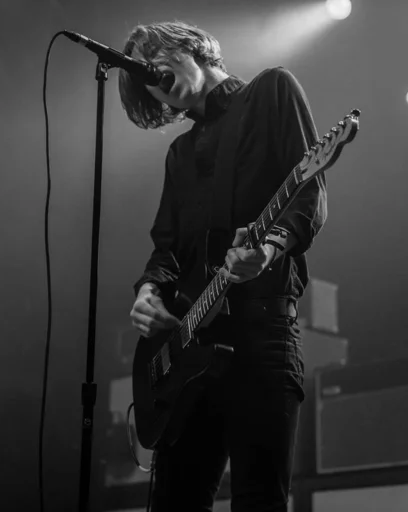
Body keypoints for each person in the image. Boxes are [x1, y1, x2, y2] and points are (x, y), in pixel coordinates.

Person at [118, 20, 327, 512]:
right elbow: (166, 248)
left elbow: (309, 195)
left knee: (258, 499)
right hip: (188, 351)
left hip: (261, 333)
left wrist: (270, 248)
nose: (152, 77)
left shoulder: (272, 90)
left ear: (192, 47)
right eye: (144, 76)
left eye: (154, 59)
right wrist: (148, 291)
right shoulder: (180, 152)